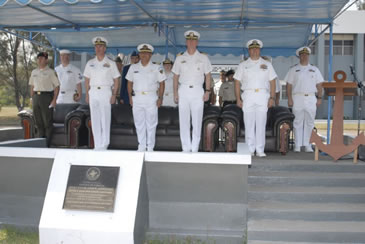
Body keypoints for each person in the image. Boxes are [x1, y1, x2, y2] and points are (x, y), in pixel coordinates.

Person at [234, 39, 277, 157]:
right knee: (249, 124)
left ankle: (260, 149)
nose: (254, 51)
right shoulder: (243, 65)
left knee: (261, 124)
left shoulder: (267, 64)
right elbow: (237, 82)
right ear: (249, 50)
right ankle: (250, 149)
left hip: (263, 96)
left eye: (256, 48)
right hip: (248, 95)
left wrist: (272, 98)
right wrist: (238, 98)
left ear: (260, 50)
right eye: (252, 49)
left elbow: (272, 82)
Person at [172, 30, 212, 152]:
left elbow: (208, 75)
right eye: (189, 40)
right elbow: (175, 77)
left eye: (193, 40)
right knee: (184, 121)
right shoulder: (180, 58)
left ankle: (194, 148)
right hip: (183, 90)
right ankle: (185, 148)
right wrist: (175, 92)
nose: (191, 42)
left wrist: (207, 91)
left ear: (197, 42)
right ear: (186, 42)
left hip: (197, 90)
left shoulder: (203, 58)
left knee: (197, 120)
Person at [126, 44, 165, 152]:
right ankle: (141, 145)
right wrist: (130, 96)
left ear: (150, 55)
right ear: (139, 54)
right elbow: (129, 83)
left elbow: (162, 83)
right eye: (142, 53)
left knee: (151, 123)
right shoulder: (133, 67)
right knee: (139, 123)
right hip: (137, 97)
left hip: (151, 97)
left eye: (146, 53)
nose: (144, 55)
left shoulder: (157, 67)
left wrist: (160, 98)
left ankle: (150, 147)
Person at [84, 36, 120, 150]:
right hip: (93, 91)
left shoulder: (111, 63)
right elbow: (86, 79)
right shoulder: (90, 63)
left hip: (105, 91)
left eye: (101, 46)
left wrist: (114, 94)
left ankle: (105, 143)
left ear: (105, 48)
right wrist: (87, 94)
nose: (98, 48)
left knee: (105, 118)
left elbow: (116, 79)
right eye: (96, 46)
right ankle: (97, 144)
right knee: (95, 119)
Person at [284, 46, 324, 153]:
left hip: (311, 97)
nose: (304, 56)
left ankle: (308, 145)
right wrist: (289, 98)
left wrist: (319, 97)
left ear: (309, 56)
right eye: (302, 55)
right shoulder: (293, 69)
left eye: (306, 54)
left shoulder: (315, 69)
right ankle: (297, 145)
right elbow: (288, 85)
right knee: (297, 122)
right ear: (299, 56)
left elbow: (319, 85)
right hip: (297, 97)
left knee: (310, 122)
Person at [29, 52, 60, 145]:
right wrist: (32, 98)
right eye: (38, 58)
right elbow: (32, 85)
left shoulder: (50, 72)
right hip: (36, 97)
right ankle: (40, 142)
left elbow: (57, 86)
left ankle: (47, 143)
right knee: (38, 122)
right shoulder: (34, 72)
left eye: (42, 58)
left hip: (46, 97)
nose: (40, 60)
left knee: (47, 122)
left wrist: (54, 100)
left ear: (46, 60)